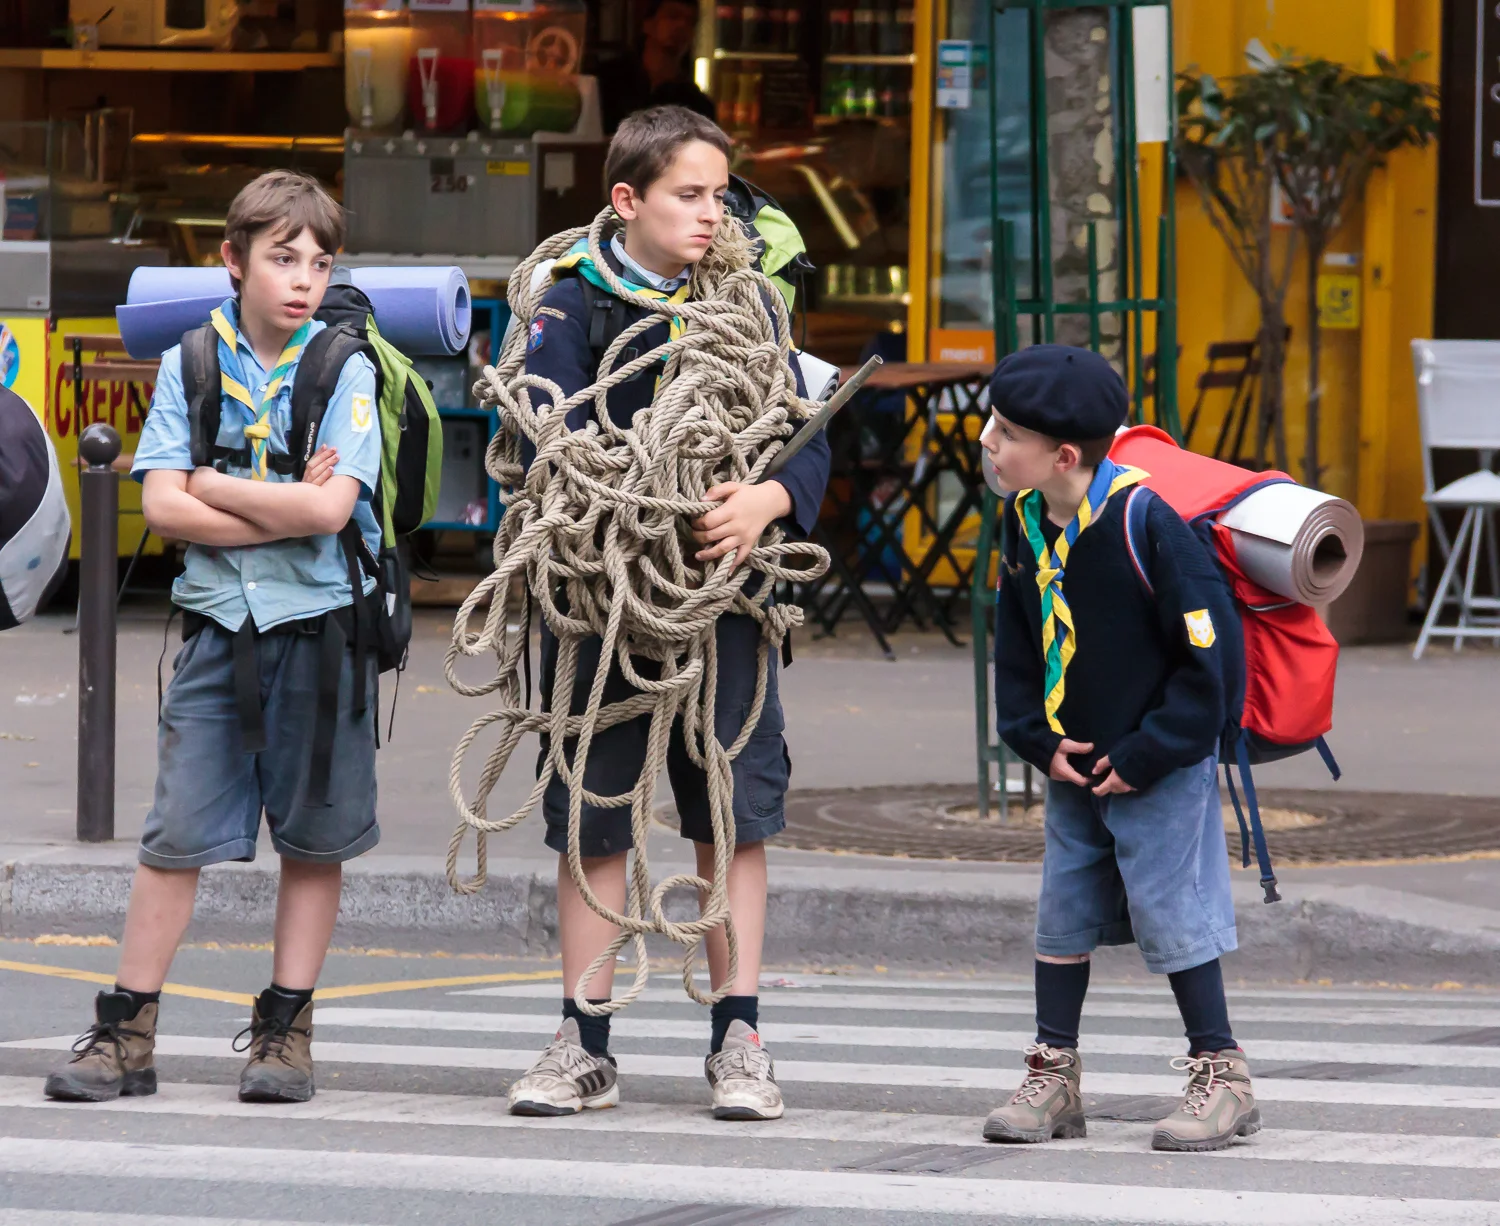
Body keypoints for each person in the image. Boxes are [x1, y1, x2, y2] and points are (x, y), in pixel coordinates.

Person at [507, 105, 829, 1122]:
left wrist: (766, 499)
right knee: (591, 817)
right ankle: (582, 1038)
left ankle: (740, 1037)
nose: (708, 213)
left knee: (728, 817)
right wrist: (646, 491)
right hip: (600, 609)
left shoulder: (751, 305)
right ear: (627, 200)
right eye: (688, 195)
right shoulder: (566, 304)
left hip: (723, 601)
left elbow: (805, 435)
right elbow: (545, 438)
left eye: (719, 196)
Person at [43, 170, 383, 1107]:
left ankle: (285, 1032)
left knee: (314, 841)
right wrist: (273, 504)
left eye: (318, 261)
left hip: (321, 633)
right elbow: (159, 504)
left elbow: (330, 509)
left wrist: (213, 485)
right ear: (232, 262)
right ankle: (127, 1034)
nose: (303, 278)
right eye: (282, 258)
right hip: (217, 631)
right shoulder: (194, 362)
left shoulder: (343, 367)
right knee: (174, 837)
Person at [981, 344, 1258, 1153]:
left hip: (1156, 766)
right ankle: (1054, 1075)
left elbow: (1213, 668)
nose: (989, 443)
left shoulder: (1149, 525)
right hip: (1076, 763)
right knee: (1061, 916)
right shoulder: (1027, 519)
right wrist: (1038, 741)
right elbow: (1017, 650)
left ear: (1063, 455)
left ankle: (1222, 1076)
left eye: (1005, 432)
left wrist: (1146, 755)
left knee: (1176, 917)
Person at [595, 0, 716, 133]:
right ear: (648, 24)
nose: (682, 25)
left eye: (691, 22)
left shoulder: (696, 104)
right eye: (673, 16)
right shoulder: (607, 80)